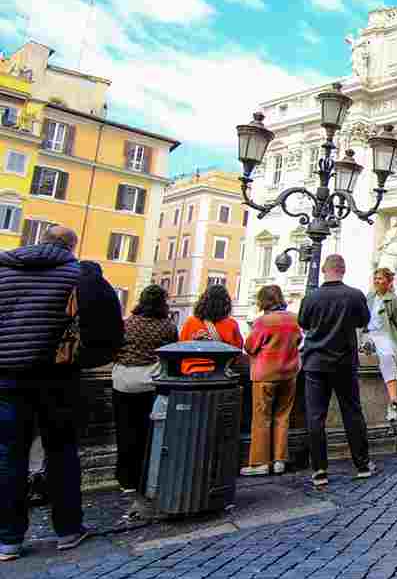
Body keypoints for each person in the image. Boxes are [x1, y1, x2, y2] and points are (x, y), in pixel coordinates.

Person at [0, 226, 123, 561]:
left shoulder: (4, 271)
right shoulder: (77, 275)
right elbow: (107, 327)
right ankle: (68, 529)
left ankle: (8, 539)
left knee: (9, 454)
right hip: (58, 376)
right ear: (71, 246)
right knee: (62, 450)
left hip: (7, 376)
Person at [299, 255, 373, 487]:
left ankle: (319, 469)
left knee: (315, 416)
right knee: (352, 412)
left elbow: (303, 323)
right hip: (344, 363)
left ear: (324, 270)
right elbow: (363, 321)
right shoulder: (355, 295)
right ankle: (362, 464)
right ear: (343, 270)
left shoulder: (311, 297)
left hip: (315, 363)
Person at [113, 285, 177, 492]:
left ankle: (126, 479)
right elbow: (173, 354)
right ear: (163, 303)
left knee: (124, 430)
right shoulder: (167, 326)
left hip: (123, 381)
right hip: (151, 382)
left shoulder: (127, 324)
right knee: (148, 432)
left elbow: (115, 349)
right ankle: (146, 475)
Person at [241, 285, 301, 476]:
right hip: (289, 374)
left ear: (263, 301)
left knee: (262, 418)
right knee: (283, 417)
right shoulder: (294, 319)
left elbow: (250, 347)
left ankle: (260, 463)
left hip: (265, 375)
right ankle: (279, 460)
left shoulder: (262, 322)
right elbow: (299, 341)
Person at [361, 267, 397, 422]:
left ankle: (393, 400)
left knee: (388, 356)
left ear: (389, 282)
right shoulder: (369, 297)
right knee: (368, 342)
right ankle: (366, 345)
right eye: (375, 278)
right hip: (369, 333)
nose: (377, 281)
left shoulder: (394, 300)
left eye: (380, 278)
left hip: (385, 335)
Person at [180, 284, 245, 348]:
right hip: (220, 358)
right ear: (225, 303)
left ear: (203, 301)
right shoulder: (232, 324)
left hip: (192, 358)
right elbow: (238, 347)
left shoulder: (190, 322)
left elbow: (181, 345)